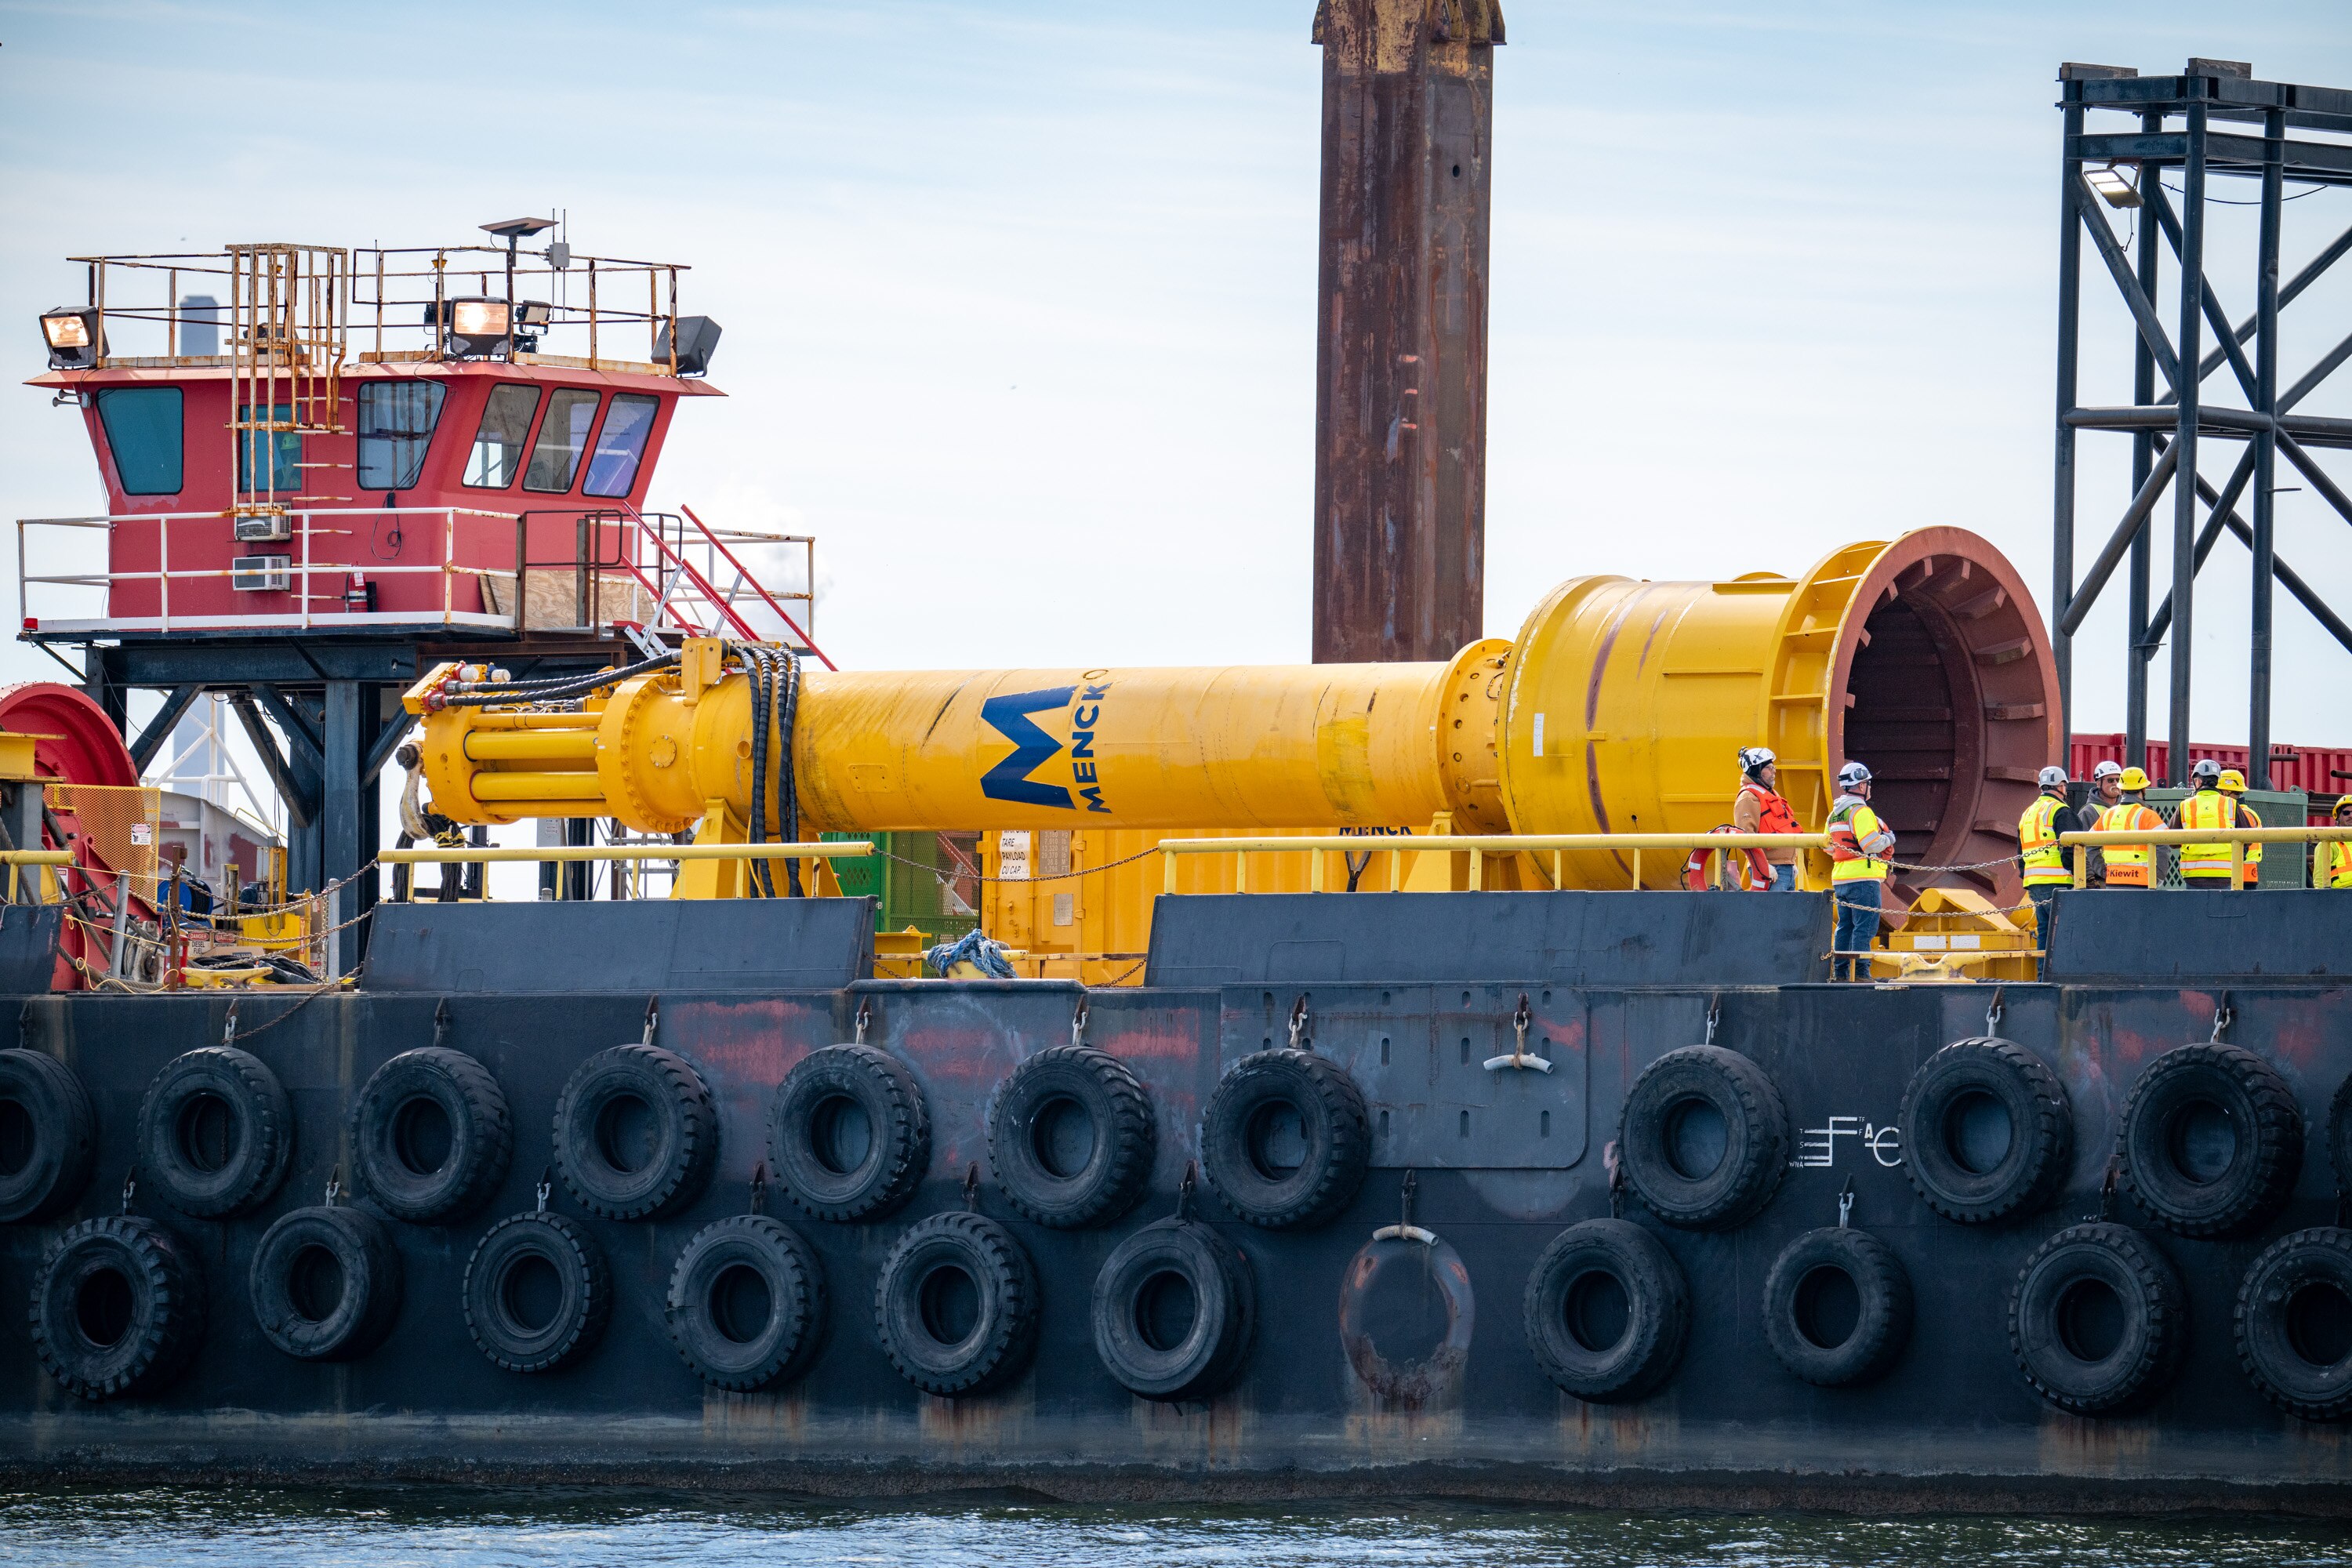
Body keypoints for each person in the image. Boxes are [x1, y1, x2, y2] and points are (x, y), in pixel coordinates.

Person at [1825, 760, 1895, 981]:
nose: (1870, 787)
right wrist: (1888, 839)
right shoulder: (1861, 812)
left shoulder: (1834, 815)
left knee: (1845, 927)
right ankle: (1862, 973)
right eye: (1868, 783)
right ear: (1861, 786)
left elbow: (1828, 846)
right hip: (1863, 879)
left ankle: (1842, 973)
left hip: (1841, 879)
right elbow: (1870, 844)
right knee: (1865, 927)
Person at [1731, 746, 1802, 891]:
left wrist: (1790, 862)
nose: (1774, 771)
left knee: (1784, 913)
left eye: (1773, 767)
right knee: (1772, 913)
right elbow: (1745, 837)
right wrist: (1764, 866)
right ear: (1756, 771)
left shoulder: (1770, 795)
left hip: (1784, 868)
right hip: (1771, 870)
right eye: (1769, 768)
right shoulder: (1748, 797)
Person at [2019, 764, 2073, 953]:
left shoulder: (2028, 813)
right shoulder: (2061, 811)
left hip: (2034, 884)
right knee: (2065, 934)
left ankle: (2042, 978)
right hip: (2060, 882)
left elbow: (2021, 854)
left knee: (2044, 932)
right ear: (2061, 786)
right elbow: (2071, 849)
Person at [2175, 758, 2241, 891]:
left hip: (2194, 875)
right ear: (2217, 781)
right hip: (2225, 874)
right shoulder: (2231, 804)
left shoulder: (2185, 805)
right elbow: (2248, 838)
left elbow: (2171, 841)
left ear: (2198, 781)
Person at [2095, 766, 2165, 890]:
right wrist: (2158, 877)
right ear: (2144, 789)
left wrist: (2103, 872)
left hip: (2113, 882)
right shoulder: (2148, 815)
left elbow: (2089, 844)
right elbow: (2164, 846)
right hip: (2142, 884)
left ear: (2121, 790)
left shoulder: (2107, 815)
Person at [2078, 760, 2125, 886]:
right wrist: (2089, 879)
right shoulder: (2089, 812)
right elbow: (2082, 849)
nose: (2115, 783)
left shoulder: (2126, 809)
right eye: (2110, 780)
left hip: (2126, 875)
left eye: (2118, 780)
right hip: (2101, 880)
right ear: (2099, 783)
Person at [2219, 769, 2263, 887]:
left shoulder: (2240, 814)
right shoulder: (2247, 812)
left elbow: (2243, 848)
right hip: (2246, 874)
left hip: (2241, 875)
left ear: (2226, 792)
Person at [2322, 796, 2352, 889]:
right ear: (2338, 816)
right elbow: (2320, 879)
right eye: (2346, 813)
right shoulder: (2329, 843)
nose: (2351, 815)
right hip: (2341, 898)